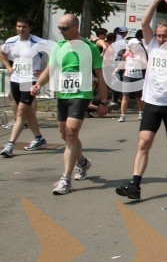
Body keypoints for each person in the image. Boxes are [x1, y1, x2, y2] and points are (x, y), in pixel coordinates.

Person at [115, 0, 167, 201]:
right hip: (152, 102)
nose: (161, 38)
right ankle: (135, 184)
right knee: (143, 142)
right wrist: (155, 2)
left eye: (165, 35)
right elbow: (144, 24)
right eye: (159, 35)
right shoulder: (152, 45)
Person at [30, 14, 109, 194]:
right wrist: (37, 85)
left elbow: (100, 77)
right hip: (63, 94)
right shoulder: (59, 47)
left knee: (72, 132)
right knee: (64, 134)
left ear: (76, 27)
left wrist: (103, 101)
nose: (60, 31)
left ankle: (65, 179)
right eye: (59, 28)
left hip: (81, 94)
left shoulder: (90, 48)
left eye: (64, 28)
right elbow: (50, 70)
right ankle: (82, 162)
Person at [0, 17, 49, 157]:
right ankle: (39, 138)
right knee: (27, 113)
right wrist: (8, 67)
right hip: (16, 80)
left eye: (24, 27)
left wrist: (44, 70)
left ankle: (10, 145)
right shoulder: (11, 41)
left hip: (31, 81)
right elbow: (2, 52)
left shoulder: (38, 42)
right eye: (19, 26)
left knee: (21, 112)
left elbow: (55, 56)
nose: (21, 29)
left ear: (30, 28)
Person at [116, 38, 146, 122]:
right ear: (131, 45)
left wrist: (139, 61)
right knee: (125, 96)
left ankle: (141, 112)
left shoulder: (141, 54)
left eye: (138, 44)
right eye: (135, 44)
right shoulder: (126, 54)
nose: (137, 46)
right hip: (127, 76)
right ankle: (122, 115)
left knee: (138, 97)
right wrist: (117, 70)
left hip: (138, 77)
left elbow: (145, 64)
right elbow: (122, 63)